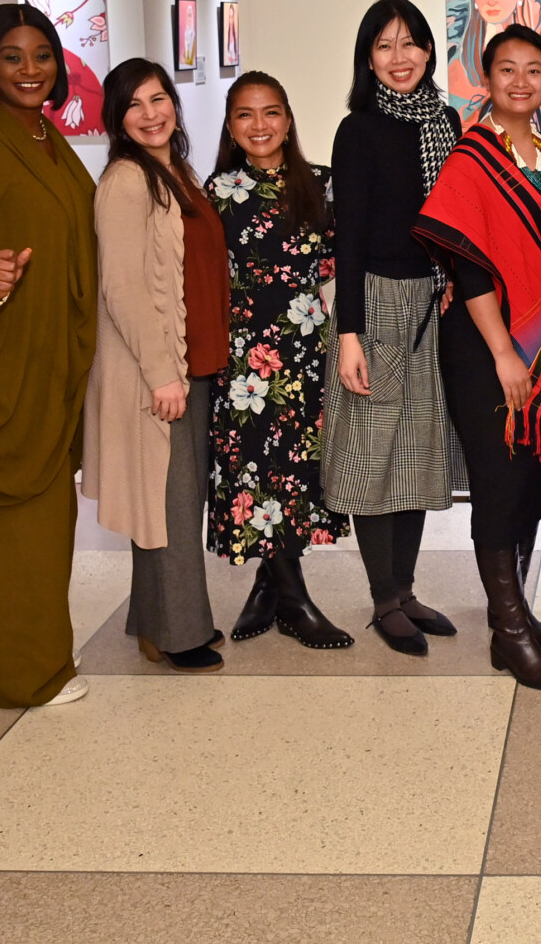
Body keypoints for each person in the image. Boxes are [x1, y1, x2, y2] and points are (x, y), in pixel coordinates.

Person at [415, 25, 541, 691]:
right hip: (487, 343)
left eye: (533, 69)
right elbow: (472, 266)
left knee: (533, 481)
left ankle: (508, 612)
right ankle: (510, 632)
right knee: (498, 482)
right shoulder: (471, 157)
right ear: (486, 80)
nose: (520, 81)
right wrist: (504, 353)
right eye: (506, 69)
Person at [0, 4, 96, 708]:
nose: (30, 69)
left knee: (49, 525)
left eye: (42, 55)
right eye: (12, 56)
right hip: (4, 364)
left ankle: (17, 647)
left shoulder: (47, 139)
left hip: (53, 363)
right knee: (19, 530)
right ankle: (21, 676)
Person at [323, 0, 460, 656]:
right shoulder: (358, 130)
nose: (399, 58)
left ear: (429, 51)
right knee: (370, 453)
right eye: (385, 46)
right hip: (375, 303)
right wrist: (349, 333)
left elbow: (457, 219)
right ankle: (382, 599)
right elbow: (347, 238)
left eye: (410, 44)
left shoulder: (446, 122)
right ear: (368, 59)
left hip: (432, 303)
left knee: (417, 450)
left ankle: (404, 590)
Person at [84, 59, 228, 674]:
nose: (150, 114)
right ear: (117, 119)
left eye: (158, 98)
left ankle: (154, 619)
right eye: (134, 105)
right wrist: (162, 372)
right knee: (169, 507)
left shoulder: (176, 172)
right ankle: (178, 634)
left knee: (172, 499)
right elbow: (122, 287)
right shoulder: (125, 181)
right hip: (160, 371)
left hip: (194, 362)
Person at [206, 72, 352, 649]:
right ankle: (294, 601)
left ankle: (270, 586)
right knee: (257, 470)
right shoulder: (216, 192)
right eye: (245, 114)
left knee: (295, 469)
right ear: (230, 126)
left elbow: (341, 259)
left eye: (271, 112)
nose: (259, 125)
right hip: (245, 357)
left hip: (306, 350)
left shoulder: (323, 184)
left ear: (288, 120)